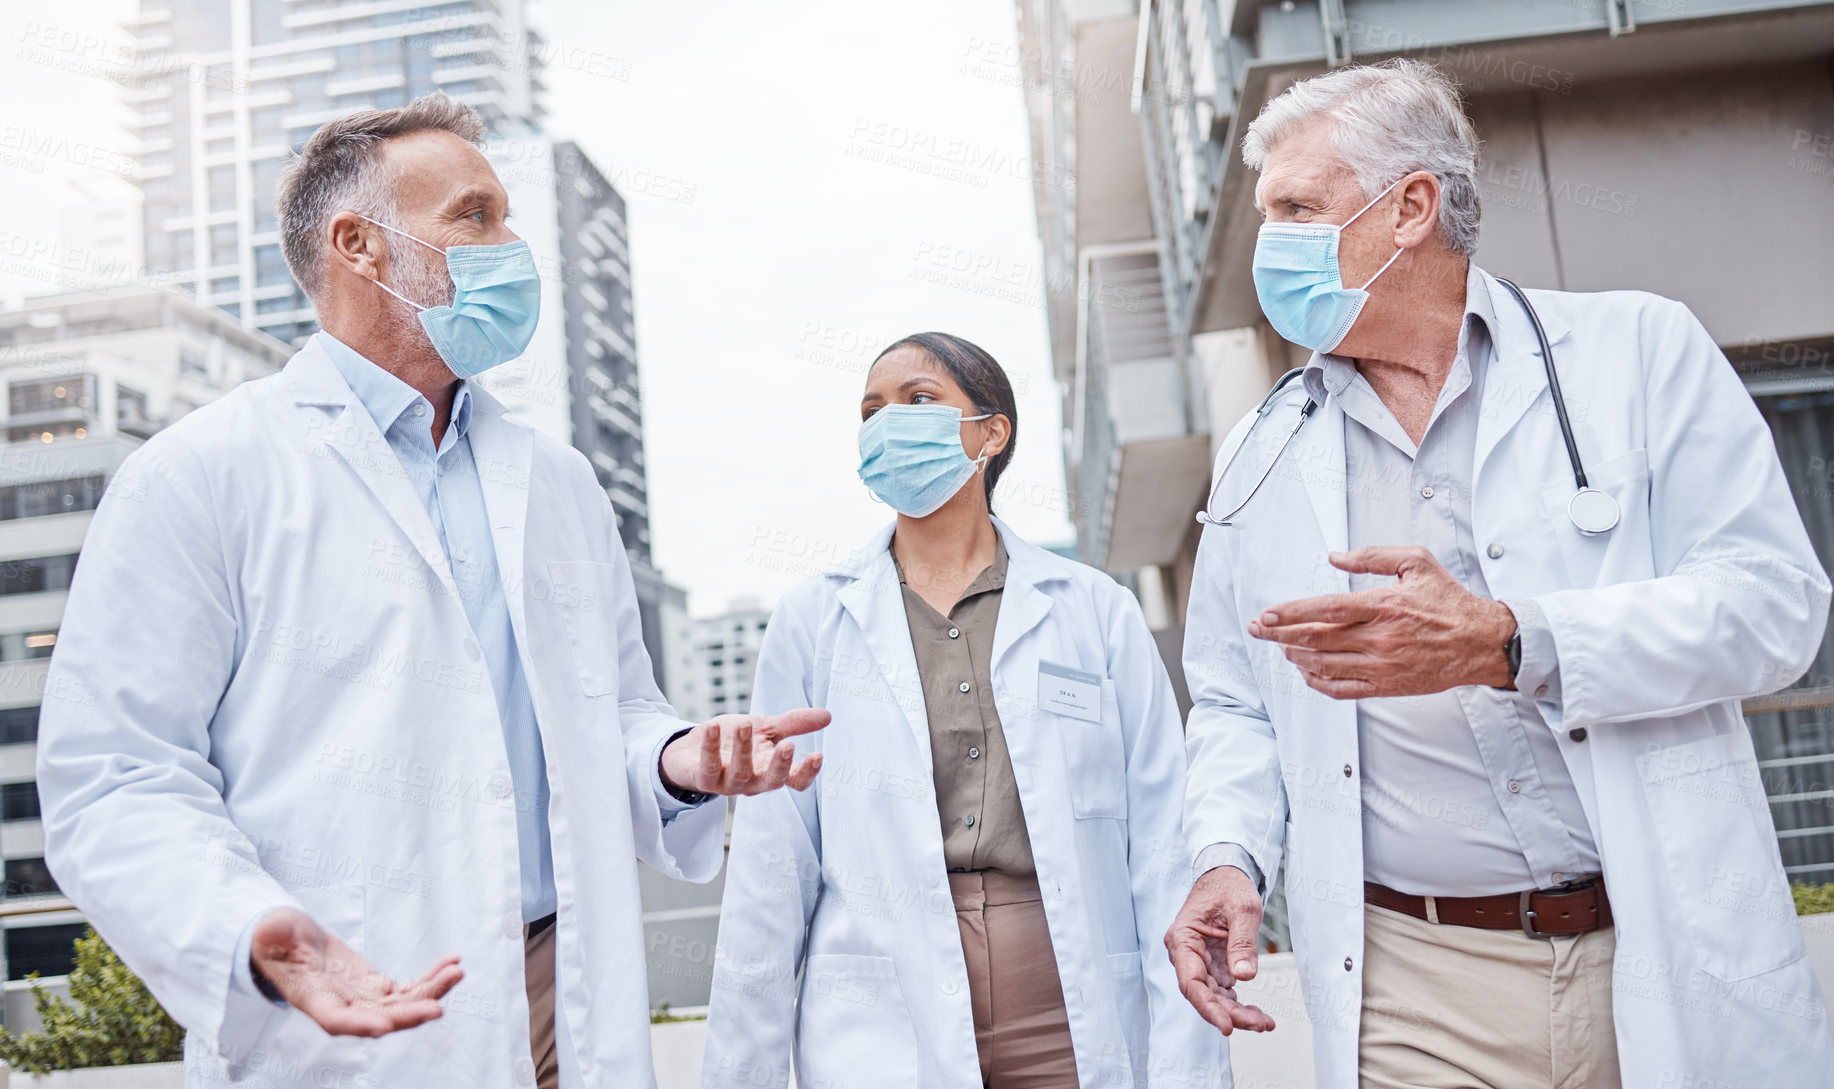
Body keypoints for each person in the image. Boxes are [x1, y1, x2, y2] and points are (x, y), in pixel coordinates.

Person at [35, 92, 827, 1089]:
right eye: (474, 216)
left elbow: (611, 712)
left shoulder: (559, 482)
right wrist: (245, 928)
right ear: (359, 245)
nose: (510, 244)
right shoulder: (201, 475)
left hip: (565, 1002)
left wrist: (675, 761)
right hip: (354, 1009)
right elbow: (113, 776)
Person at [1168, 60, 1834, 1089]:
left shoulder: (1635, 351)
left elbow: (1772, 605)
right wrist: (1225, 853)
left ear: (1410, 209)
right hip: (1414, 983)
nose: (1273, 243)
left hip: (1655, 945)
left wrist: (1513, 641)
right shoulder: (1262, 449)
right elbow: (1229, 694)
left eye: (1298, 207)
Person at [701, 333, 1225, 1088]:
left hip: (1067, 1000)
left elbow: (1163, 839)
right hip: (883, 1013)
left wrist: (1189, 1061)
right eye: (870, 410)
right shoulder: (814, 619)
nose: (886, 424)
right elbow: (772, 864)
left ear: (990, 432)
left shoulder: (1093, 612)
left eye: (917, 400)